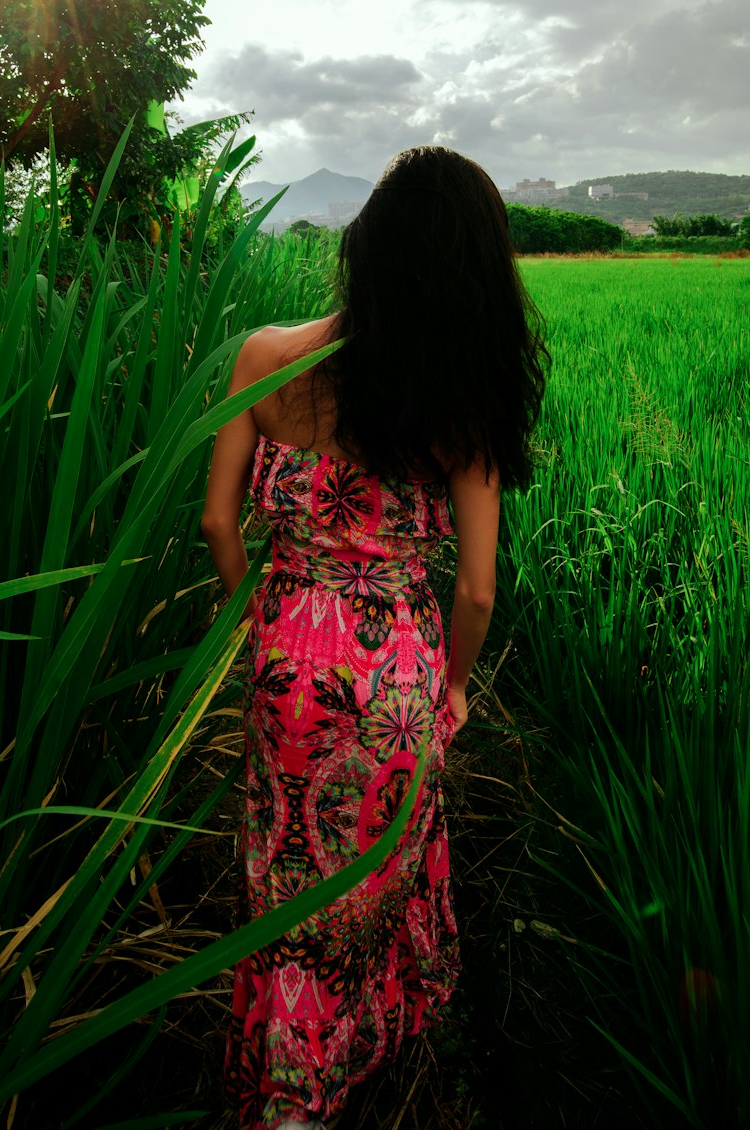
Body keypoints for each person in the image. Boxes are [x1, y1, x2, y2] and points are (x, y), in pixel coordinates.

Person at [201, 145, 548, 1130]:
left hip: (286, 666)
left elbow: (218, 526)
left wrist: (264, 625)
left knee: (286, 872)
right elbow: (475, 592)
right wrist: (455, 690)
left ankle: (286, 1088)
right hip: (393, 667)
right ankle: (370, 1057)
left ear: (365, 248)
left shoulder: (265, 354)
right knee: (374, 872)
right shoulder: (453, 400)